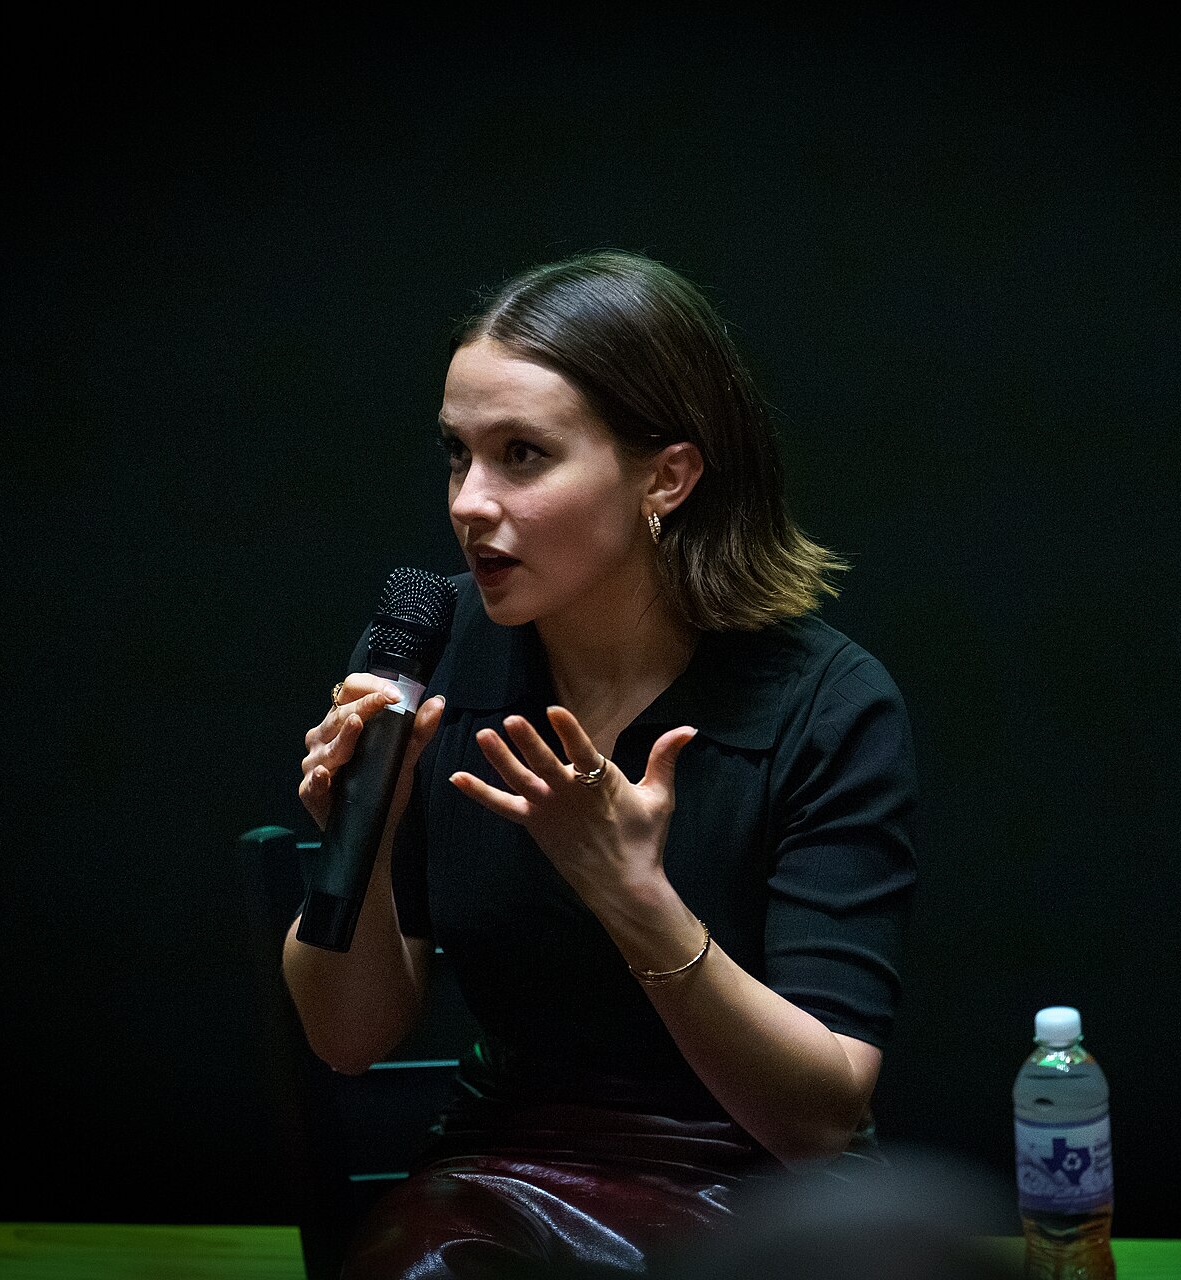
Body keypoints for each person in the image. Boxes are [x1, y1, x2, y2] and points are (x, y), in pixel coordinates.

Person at [282, 249, 922, 1280]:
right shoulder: (427, 662)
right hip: (511, 1167)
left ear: (666, 474)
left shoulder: (827, 704)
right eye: (458, 454)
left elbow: (817, 1117)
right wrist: (355, 837)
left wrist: (632, 894)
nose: (469, 501)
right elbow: (348, 1038)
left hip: (769, 1182)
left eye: (523, 455)